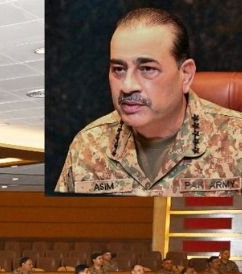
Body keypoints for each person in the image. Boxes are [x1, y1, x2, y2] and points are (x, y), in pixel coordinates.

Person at [55, 7, 242, 196]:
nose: (127, 86)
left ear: (185, 75)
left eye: (147, 69)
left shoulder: (236, 139)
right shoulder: (87, 145)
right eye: (119, 69)